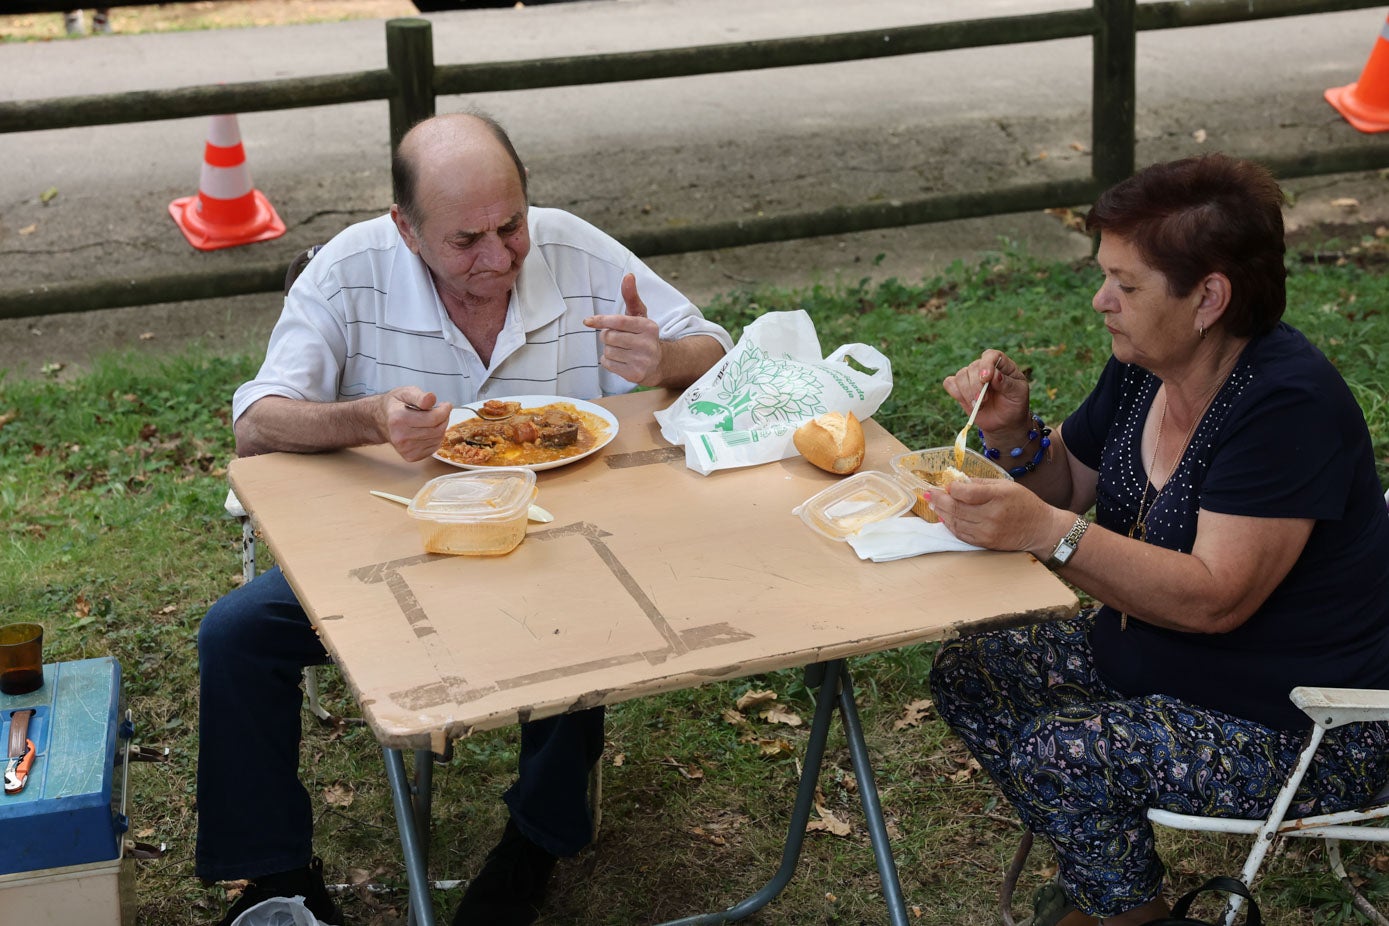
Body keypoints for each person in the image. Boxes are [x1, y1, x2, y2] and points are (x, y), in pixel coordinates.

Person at [197, 110, 732, 926]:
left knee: (589, 618)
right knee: (235, 636)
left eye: (509, 226)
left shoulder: (572, 247)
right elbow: (256, 423)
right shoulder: (349, 271)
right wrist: (369, 417)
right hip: (391, 551)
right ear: (404, 230)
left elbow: (715, 351)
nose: (498, 258)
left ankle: (533, 845)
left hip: (558, 545)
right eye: (464, 241)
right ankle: (275, 878)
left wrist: (666, 360)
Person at [926, 153, 1389, 926]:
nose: (1102, 301)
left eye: (1126, 284)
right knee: (974, 670)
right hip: (1173, 664)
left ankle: (1120, 914)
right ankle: (1105, 883)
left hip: (1309, 723)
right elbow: (1068, 482)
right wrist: (1012, 439)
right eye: (1104, 276)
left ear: (1209, 296)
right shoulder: (1150, 363)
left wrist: (1047, 535)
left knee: (1061, 751)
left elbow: (1214, 601)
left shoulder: (1283, 407)